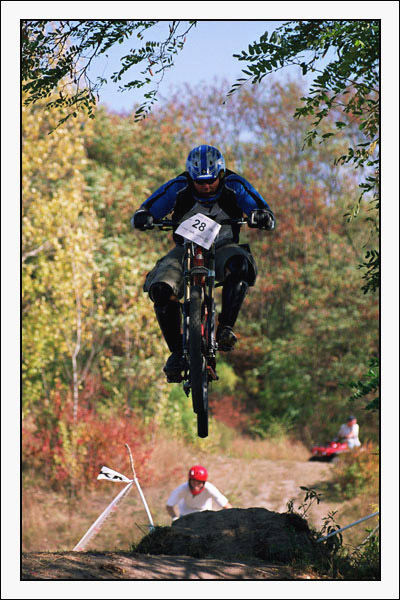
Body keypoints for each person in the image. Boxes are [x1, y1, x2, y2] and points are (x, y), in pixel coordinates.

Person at [132, 144, 275, 382]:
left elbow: (260, 207)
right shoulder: (178, 187)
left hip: (223, 246)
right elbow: (148, 207)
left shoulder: (235, 185)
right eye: (199, 181)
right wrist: (143, 215)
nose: (206, 186)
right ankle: (177, 352)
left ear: (220, 174)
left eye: (211, 180)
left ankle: (226, 328)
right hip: (186, 249)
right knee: (160, 289)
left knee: (240, 266)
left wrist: (261, 215)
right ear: (190, 177)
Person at [166, 465, 232, 521]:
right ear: (189, 481)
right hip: (185, 517)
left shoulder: (210, 489)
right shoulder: (182, 489)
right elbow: (169, 506)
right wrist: (175, 518)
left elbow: (226, 506)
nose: (196, 485)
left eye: (199, 483)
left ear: (203, 483)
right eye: (193, 482)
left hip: (205, 516)